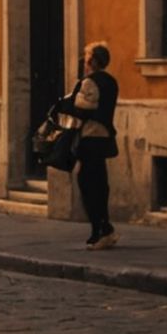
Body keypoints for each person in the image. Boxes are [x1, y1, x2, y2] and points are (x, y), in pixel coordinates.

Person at [53, 42, 121, 249]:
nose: (84, 61)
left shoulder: (89, 83)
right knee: (101, 183)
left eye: (86, 57)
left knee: (87, 184)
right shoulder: (112, 82)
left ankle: (99, 230)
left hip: (90, 138)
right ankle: (105, 228)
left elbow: (81, 108)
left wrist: (64, 103)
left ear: (91, 61)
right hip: (104, 137)